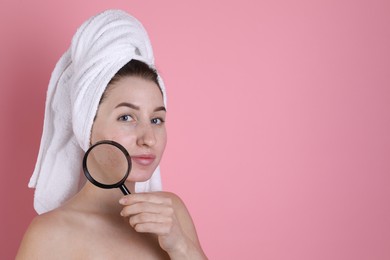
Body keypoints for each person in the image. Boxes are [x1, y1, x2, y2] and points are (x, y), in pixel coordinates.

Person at [16, 9, 207, 259]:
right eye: (126, 117)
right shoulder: (50, 235)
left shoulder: (172, 213)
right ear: (88, 126)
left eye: (156, 119)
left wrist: (181, 246)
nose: (148, 138)